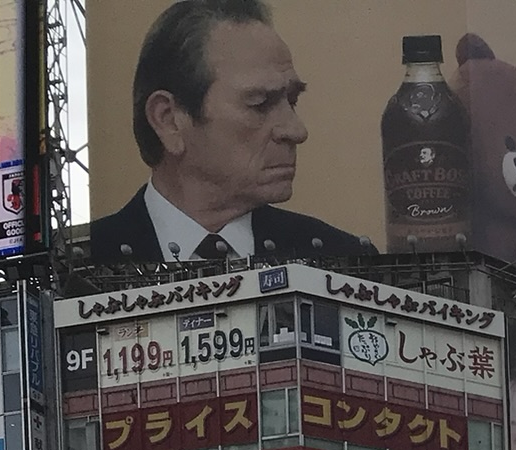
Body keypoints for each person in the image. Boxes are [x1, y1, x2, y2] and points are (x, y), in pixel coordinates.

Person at [89, 0, 365, 264]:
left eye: (292, 100)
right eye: (260, 104)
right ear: (169, 120)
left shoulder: (342, 258)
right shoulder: (68, 269)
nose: (296, 130)